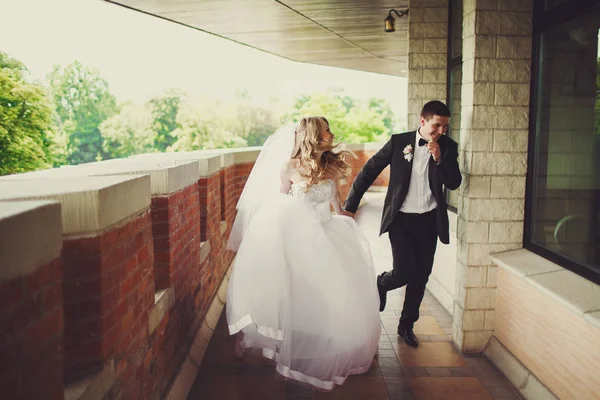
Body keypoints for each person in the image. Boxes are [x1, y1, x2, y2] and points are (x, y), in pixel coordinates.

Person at [226, 117, 381, 391]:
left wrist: (345, 216)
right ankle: (270, 338)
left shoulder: (330, 165)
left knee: (329, 292)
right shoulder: (289, 167)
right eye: (326, 130)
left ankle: (320, 339)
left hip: (326, 234)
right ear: (314, 136)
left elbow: (335, 202)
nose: (331, 134)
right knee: (292, 292)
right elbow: (279, 203)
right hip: (296, 240)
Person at [343, 100, 461, 348]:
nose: (441, 131)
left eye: (445, 127)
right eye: (436, 126)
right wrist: (350, 206)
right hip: (401, 220)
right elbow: (368, 171)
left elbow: (454, 182)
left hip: (429, 220)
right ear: (422, 121)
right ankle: (382, 282)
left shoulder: (448, 147)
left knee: (421, 276)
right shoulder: (399, 142)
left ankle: (407, 325)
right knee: (405, 271)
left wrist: (439, 159)